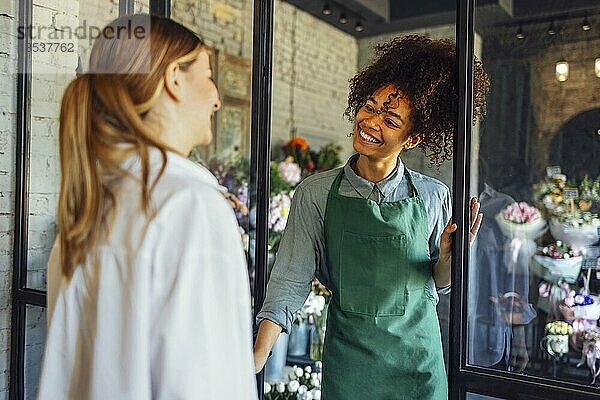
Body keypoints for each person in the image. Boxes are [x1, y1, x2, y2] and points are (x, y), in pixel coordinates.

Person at [254, 35, 489, 399]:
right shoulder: (315, 194)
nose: (371, 121)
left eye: (391, 119)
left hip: (417, 365)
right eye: (370, 106)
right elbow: (290, 279)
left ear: (412, 138)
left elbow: (438, 284)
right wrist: (258, 353)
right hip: (351, 366)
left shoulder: (433, 196)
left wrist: (448, 259)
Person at [37, 15, 257, 400]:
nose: (217, 98)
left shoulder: (88, 207)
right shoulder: (189, 205)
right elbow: (206, 385)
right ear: (173, 78)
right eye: (208, 76)